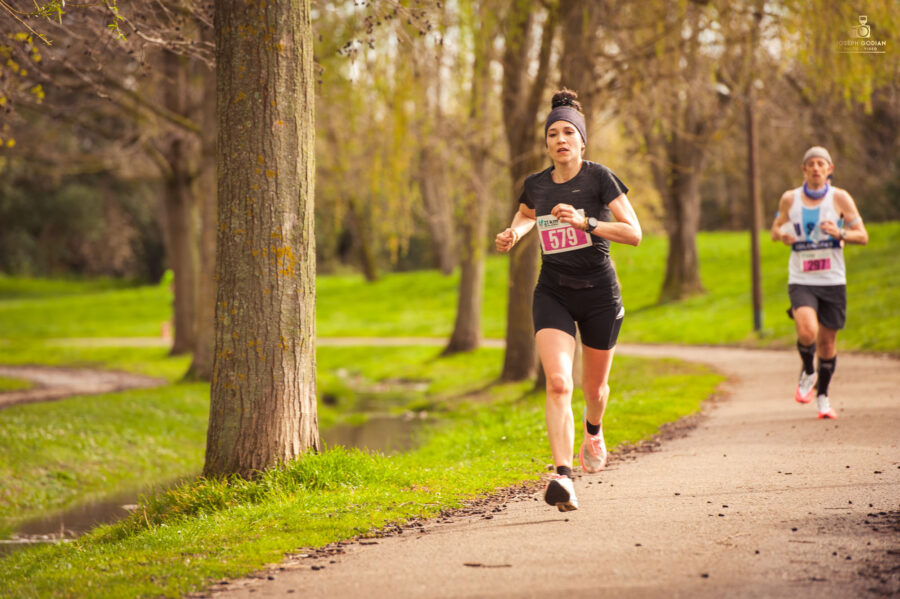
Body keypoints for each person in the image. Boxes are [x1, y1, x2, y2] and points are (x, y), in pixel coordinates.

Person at [495, 89, 642, 511]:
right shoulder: (537, 184)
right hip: (553, 292)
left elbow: (634, 233)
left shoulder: (599, 178)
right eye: (553, 134)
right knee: (559, 383)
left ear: (581, 141)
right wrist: (515, 233)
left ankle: (593, 430)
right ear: (546, 144)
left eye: (568, 133)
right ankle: (562, 477)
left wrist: (587, 222)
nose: (560, 140)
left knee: (595, 389)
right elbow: (527, 213)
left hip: (599, 293)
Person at [771, 146, 868, 419]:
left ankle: (823, 397)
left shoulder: (840, 199)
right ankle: (808, 372)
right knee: (806, 330)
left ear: (829, 169)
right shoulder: (790, 199)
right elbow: (775, 229)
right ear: (804, 169)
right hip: (801, 278)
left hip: (832, 279)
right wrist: (782, 235)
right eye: (811, 164)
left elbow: (863, 235)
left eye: (821, 164)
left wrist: (840, 232)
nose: (815, 168)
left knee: (827, 345)